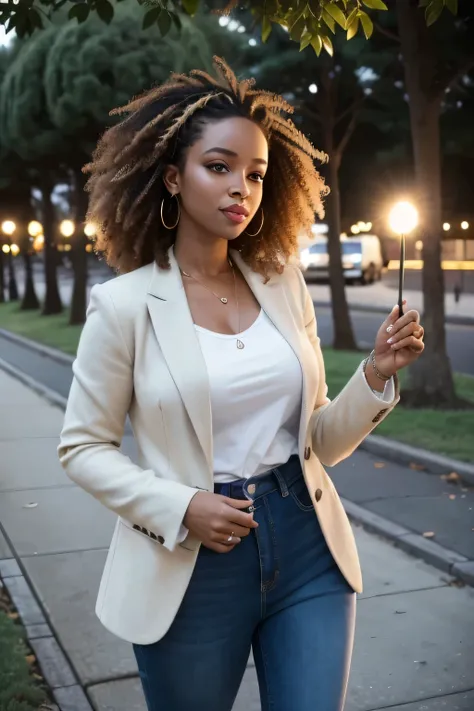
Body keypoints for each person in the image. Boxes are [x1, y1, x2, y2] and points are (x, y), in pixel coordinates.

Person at [58, 58, 425, 711]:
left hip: (307, 538)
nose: (242, 188)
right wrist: (180, 506)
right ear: (173, 177)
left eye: (255, 174)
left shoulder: (282, 282)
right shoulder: (124, 306)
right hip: (190, 560)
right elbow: (82, 447)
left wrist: (373, 376)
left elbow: (318, 439)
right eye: (219, 166)